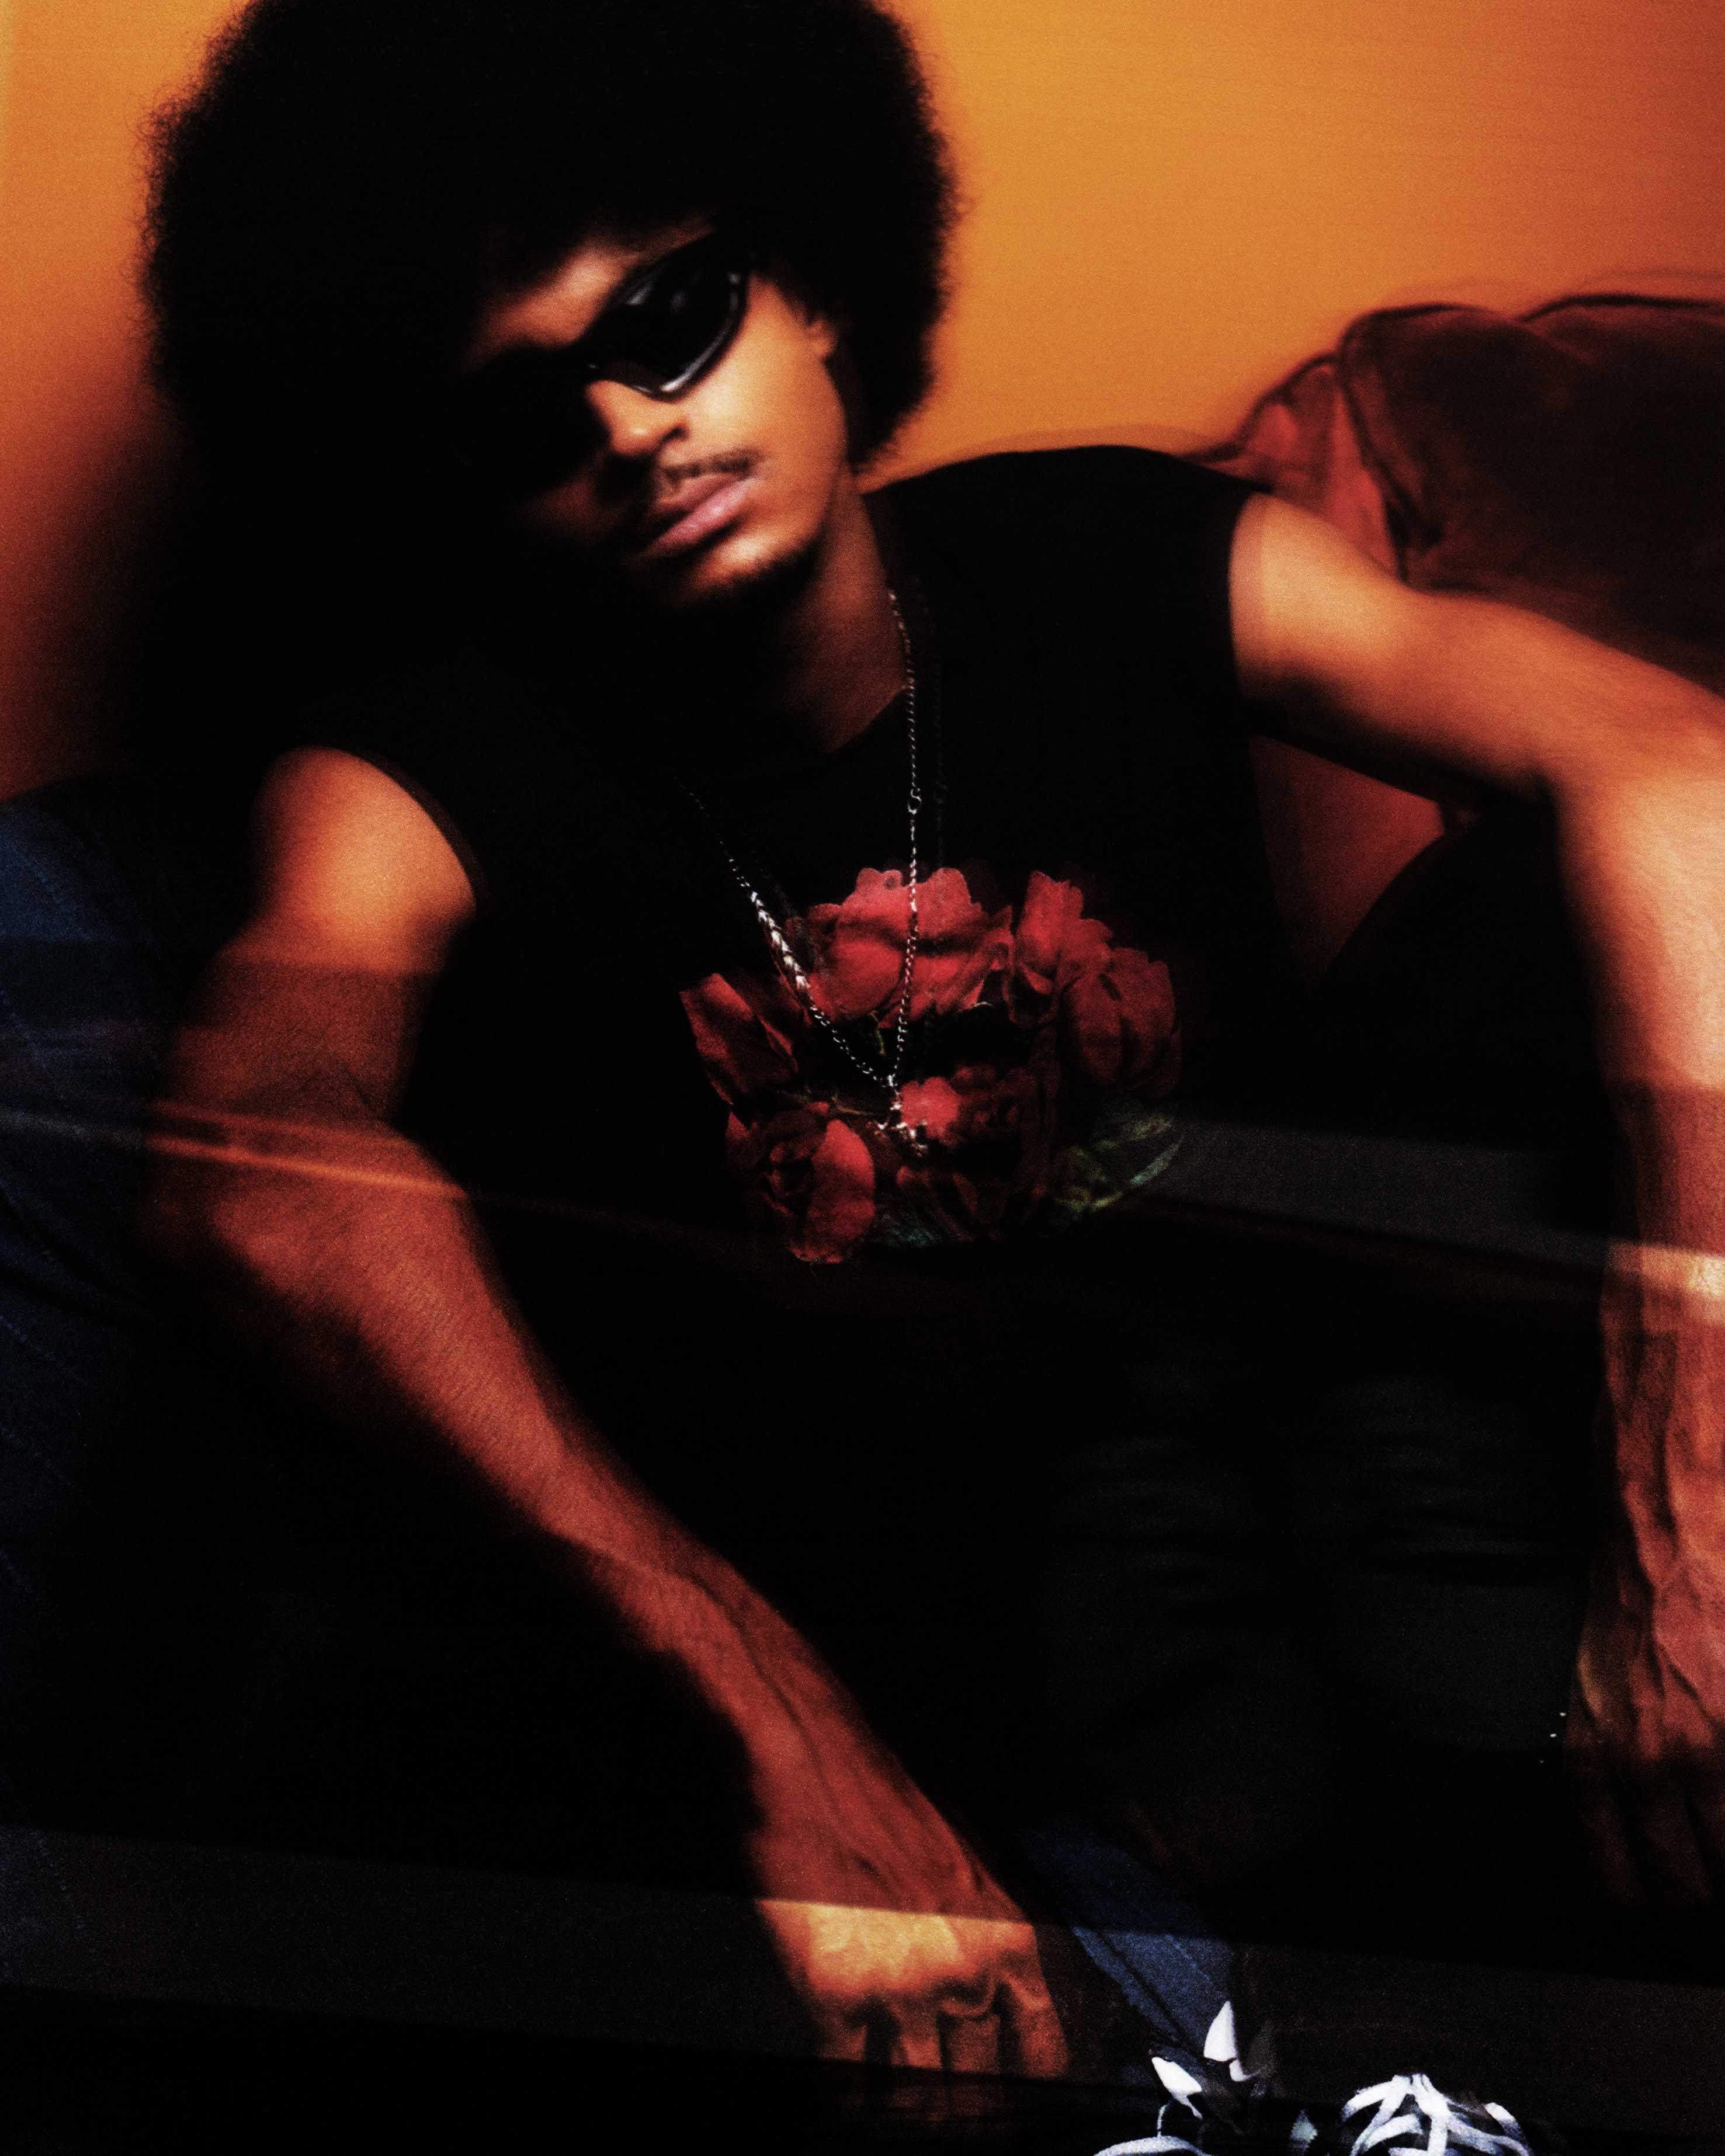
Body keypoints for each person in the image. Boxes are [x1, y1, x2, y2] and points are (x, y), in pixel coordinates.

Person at [133, 0, 1725, 2136]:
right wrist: (765, 1713)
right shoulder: (412, 778)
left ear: (811, 287)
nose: (627, 424)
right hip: (826, 1690)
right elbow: (253, 1153)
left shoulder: (1120, 560)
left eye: (671, 320)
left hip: (1251, 1613)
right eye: (524, 408)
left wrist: (1690, 1463)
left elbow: (1671, 766)